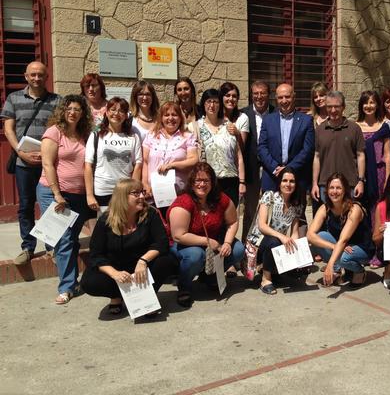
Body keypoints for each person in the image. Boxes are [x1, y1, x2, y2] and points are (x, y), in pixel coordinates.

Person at [80, 179, 177, 316]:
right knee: (90, 282)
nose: (142, 196)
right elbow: (96, 254)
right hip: (116, 265)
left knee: (167, 261)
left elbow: (161, 243)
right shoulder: (105, 220)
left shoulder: (150, 214)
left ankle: (147, 296)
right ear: (122, 197)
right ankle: (116, 296)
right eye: (136, 193)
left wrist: (143, 261)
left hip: (142, 265)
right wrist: (115, 274)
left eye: (142, 192)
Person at [1, 61, 61, 265]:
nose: (37, 78)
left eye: (40, 75)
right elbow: (8, 129)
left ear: (46, 77)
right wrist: (20, 152)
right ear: (26, 76)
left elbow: (61, 130)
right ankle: (27, 247)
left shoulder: (57, 100)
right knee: (25, 206)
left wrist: (47, 155)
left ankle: (52, 247)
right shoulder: (13, 98)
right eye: (32, 74)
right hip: (23, 163)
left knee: (51, 206)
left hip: (49, 164)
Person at [37, 95, 95, 304]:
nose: (73, 112)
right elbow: (47, 164)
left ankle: (70, 278)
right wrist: (57, 194)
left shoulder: (85, 134)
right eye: (69, 108)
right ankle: (67, 287)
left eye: (77, 109)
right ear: (63, 111)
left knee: (72, 238)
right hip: (54, 192)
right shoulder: (54, 132)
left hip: (78, 193)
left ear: (83, 113)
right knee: (64, 239)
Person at [168, 162, 244, 308]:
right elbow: (179, 235)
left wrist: (227, 243)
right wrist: (208, 241)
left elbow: (233, 221)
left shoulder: (221, 199)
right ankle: (184, 286)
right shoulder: (183, 202)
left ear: (212, 182)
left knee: (238, 249)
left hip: (213, 241)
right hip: (185, 244)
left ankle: (210, 277)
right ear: (191, 182)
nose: (202, 184)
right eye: (198, 180)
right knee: (196, 255)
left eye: (206, 180)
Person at [308, 173, 373, 286]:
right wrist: (333, 246)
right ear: (327, 190)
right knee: (320, 236)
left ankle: (359, 271)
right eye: (331, 188)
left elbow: (343, 240)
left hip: (362, 248)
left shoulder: (354, 209)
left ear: (345, 190)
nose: (334, 191)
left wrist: (329, 265)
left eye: (338, 188)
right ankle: (337, 269)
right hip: (342, 246)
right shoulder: (325, 208)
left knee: (344, 258)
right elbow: (310, 235)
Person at [253, 168, 305, 295]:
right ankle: (265, 280)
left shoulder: (297, 205)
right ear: (279, 183)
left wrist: (298, 253)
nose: (288, 184)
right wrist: (282, 237)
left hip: (277, 243)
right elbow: (262, 226)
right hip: (259, 243)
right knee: (274, 241)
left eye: (292, 181)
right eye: (285, 180)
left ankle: (272, 270)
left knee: (297, 271)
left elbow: (294, 232)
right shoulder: (269, 196)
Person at [85, 97, 142, 211]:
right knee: (105, 221)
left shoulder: (133, 137)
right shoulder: (96, 135)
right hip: (102, 190)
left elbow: (138, 165)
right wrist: (89, 195)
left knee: (125, 221)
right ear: (106, 112)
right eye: (113, 109)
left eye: (121, 111)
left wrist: (133, 191)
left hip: (125, 191)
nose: (116, 113)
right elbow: (88, 166)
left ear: (126, 115)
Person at [258, 83, 315, 193]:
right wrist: (275, 168)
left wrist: (289, 169)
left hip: (297, 178)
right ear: (276, 99)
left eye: (287, 97)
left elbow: (308, 150)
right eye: (280, 97)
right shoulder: (268, 120)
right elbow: (262, 147)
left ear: (294, 97)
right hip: (272, 177)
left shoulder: (306, 120)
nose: (284, 101)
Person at [311, 91, 365, 204]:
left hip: (350, 185)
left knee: (350, 214)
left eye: (337, 106)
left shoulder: (354, 129)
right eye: (329, 107)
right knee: (327, 215)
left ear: (343, 107)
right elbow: (317, 157)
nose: (333, 110)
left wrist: (361, 181)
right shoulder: (320, 130)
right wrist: (315, 183)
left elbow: (360, 155)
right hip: (325, 186)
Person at [142, 101, 198, 202]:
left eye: (174, 115)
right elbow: (145, 162)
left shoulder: (188, 137)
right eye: (166, 115)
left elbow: (193, 160)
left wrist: (172, 165)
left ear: (180, 118)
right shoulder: (151, 136)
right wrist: (145, 184)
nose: (170, 118)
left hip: (179, 194)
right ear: (161, 118)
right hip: (152, 194)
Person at [198, 89, 245, 206]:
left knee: (230, 215)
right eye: (209, 101)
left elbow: (239, 156)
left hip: (231, 182)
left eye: (215, 102)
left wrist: (242, 182)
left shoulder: (229, 126)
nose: (212, 105)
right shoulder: (196, 127)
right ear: (203, 104)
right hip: (208, 183)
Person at [240, 80, 274, 240]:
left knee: (272, 210)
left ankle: (268, 247)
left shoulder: (276, 113)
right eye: (255, 93)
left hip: (271, 168)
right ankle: (247, 246)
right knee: (250, 210)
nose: (259, 97)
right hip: (250, 169)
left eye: (263, 93)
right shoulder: (243, 114)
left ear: (269, 94)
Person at [356, 90, 390, 210]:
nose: (368, 106)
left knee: (379, 204)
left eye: (372, 102)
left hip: (379, 173)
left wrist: (387, 178)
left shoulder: (384, 127)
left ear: (377, 105)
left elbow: (387, 155)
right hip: (360, 173)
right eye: (365, 103)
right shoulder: (356, 127)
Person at [219, 81, 250, 153]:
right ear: (221, 97)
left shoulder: (243, 118)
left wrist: (237, 134)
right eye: (227, 95)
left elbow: (242, 149)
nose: (231, 99)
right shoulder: (215, 116)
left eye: (234, 96)